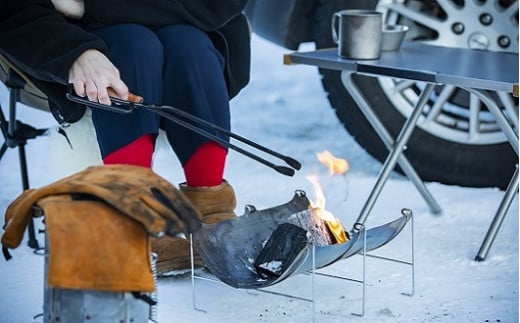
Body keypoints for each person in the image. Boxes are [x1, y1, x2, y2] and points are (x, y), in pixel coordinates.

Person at [0, 0, 251, 273]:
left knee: (189, 46)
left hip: (194, 28)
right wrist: (75, 53)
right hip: (67, 44)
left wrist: (91, 8)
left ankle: (210, 207)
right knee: (134, 45)